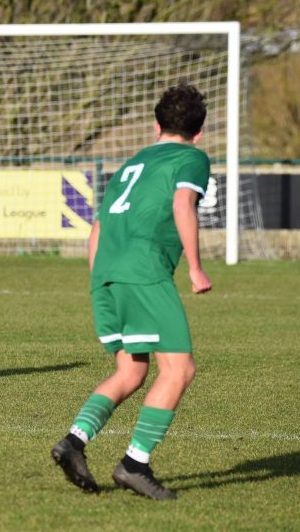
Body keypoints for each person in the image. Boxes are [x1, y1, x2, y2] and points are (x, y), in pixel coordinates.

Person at [51, 84, 213, 500]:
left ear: (156, 126)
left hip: (105, 270)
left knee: (131, 371)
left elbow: (98, 227)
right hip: (144, 270)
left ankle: (73, 441)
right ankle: (134, 464)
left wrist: (99, 282)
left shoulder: (132, 163)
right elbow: (182, 204)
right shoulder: (192, 158)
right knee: (179, 369)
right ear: (198, 132)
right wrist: (195, 268)